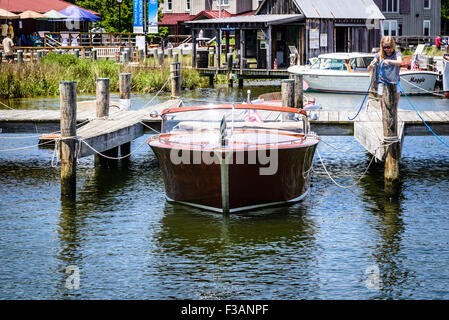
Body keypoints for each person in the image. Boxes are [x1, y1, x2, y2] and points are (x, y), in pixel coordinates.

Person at [368, 36, 403, 107]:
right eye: (384, 47)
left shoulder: (397, 53)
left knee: (394, 108)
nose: (386, 49)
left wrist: (389, 61)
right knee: (383, 108)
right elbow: (371, 64)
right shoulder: (379, 54)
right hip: (382, 83)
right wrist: (371, 65)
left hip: (395, 83)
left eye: (388, 47)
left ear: (392, 46)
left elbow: (400, 62)